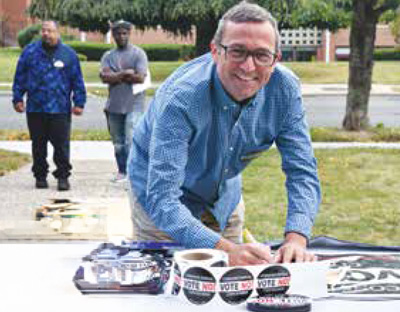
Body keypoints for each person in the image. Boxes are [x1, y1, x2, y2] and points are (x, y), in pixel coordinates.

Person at [127, 1, 321, 266]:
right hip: (160, 200)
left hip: (223, 199)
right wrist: (227, 250)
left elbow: (302, 170)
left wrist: (296, 239)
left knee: (233, 285)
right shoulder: (181, 98)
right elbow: (163, 201)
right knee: (166, 284)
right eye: (237, 52)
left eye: (262, 55)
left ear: (276, 60)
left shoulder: (284, 91)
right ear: (215, 51)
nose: (248, 67)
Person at [12, 20, 86, 191]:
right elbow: (20, 77)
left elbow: (77, 80)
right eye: (43, 30)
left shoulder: (68, 54)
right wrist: (17, 98)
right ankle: (40, 176)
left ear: (57, 32)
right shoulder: (30, 52)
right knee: (38, 145)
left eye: (50, 31)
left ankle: (62, 176)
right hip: (35, 108)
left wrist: (79, 102)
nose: (46, 33)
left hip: (59, 109)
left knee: (61, 145)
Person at [100, 20, 149, 183]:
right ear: (113, 35)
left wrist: (116, 75)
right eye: (118, 33)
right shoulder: (108, 56)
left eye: (124, 33)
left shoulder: (138, 54)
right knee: (118, 143)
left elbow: (141, 78)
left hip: (134, 105)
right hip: (114, 105)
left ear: (129, 34)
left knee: (131, 140)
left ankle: (133, 174)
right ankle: (121, 171)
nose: (121, 36)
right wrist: (126, 73)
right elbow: (105, 77)